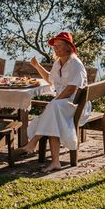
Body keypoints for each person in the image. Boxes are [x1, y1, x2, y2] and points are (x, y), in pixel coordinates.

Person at [21, 31, 91, 172]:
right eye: (55, 45)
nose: (55, 48)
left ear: (68, 47)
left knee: (53, 108)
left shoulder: (75, 65)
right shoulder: (58, 63)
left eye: (59, 45)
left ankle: (34, 141)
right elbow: (50, 80)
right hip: (61, 105)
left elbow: (71, 89)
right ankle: (55, 162)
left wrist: (54, 102)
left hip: (76, 105)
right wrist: (37, 66)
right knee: (54, 113)